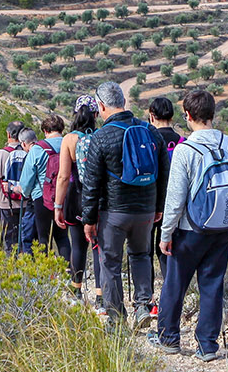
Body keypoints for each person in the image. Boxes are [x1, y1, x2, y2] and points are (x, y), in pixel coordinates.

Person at [154, 88, 228, 361]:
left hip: (189, 229)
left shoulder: (185, 149)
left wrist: (166, 233)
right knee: (212, 284)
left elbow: (175, 198)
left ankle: (169, 338)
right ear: (212, 113)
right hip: (223, 226)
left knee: (175, 284)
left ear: (188, 115)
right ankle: (207, 345)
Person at [78, 81, 158, 332]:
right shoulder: (149, 130)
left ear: (101, 106)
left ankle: (115, 318)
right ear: (123, 102)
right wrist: (159, 206)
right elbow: (164, 171)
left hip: (113, 212)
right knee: (141, 255)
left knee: (110, 262)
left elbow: (91, 183)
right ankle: (143, 305)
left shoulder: (101, 137)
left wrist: (88, 220)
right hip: (145, 209)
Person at [143, 96, 184, 325]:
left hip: (149, 202)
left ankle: (149, 301)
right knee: (168, 251)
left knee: (145, 251)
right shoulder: (182, 142)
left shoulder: (147, 139)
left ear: (152, 115)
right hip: (175, 206)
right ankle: (172, 299)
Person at [54, 95, 98, 303]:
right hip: (97, 196)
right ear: (95, 114)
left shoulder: (69, 139)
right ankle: (100, 296)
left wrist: (58, 206)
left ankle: (76, 291)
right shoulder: (100, 136)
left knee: (78, 245)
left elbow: (63, 177)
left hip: (74, 196)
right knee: (97, 246)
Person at [18, 116, 66, 255]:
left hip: (42, 197)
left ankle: (45, 267)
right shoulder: (69, 144)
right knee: (63, 238)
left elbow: (26, 182)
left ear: (45, 131)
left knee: (43, 238)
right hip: (66, 196)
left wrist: (24, 192)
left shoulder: (38, 149)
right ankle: (69, 267)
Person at [0, 122, 28, 254]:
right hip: (26, 202)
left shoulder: (0, 154)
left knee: (9, 238)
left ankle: (11, 261)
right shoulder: (29, 152)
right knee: (26, 237)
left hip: (6, 203)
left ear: (8, 134)